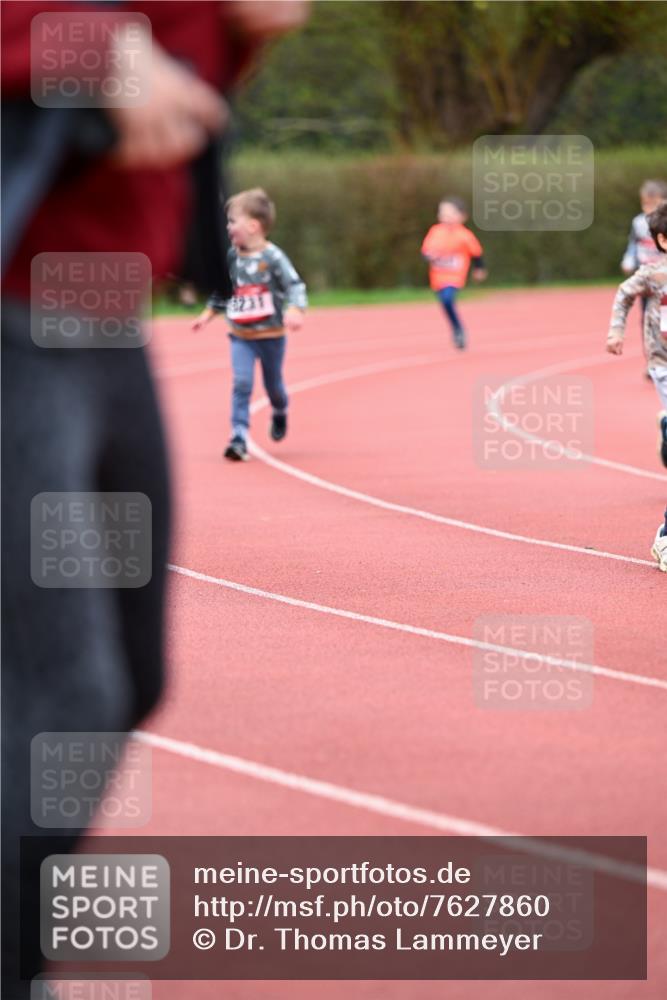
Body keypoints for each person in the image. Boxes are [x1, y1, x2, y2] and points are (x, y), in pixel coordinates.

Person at [1, 4, 309, 996]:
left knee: (127, 675)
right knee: (63, 697)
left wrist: (241, 32)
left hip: (100, 322)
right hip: (12, 318)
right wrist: (97, 50)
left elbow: (167, 111)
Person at [192, 188, 307, 461]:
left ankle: (280, 411)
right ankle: (239, 436)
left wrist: (294, 309)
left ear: (254, 226)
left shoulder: (273, 258)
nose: (228, 227)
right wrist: (208, 314)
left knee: (274, 388)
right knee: (242, 383)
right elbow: (224, 290)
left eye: (233, 221)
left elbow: (294, 285)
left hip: (271, 336)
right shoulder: (231, 257)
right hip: (240, 335)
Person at [607, 202, 667, 572]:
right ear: (663, 240)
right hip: (663, 366)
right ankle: (665, 537)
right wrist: (616, 330)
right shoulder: (653, 274)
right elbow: (624, 294)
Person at [420, 196, 487, 349]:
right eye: (443, 213)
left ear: (462, 217)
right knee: (445, 303)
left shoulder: (465, 235)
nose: (446, 217)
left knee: (448, 298)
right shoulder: (435, 231)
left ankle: (458, 329)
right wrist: (429, 256)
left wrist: (479, 269)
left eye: (450, 213)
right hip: (437, 276)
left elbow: (476, 253)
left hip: (455, 276)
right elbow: (425, 252)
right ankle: (456, 327)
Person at [620, 179, 667, 376]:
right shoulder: (638, 223)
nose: (648, 208)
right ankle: (652, 361)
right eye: (645, 204)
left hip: (663, 278)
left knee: (664, 320)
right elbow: (633, 244)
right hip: (645, 279)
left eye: (653, 204)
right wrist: (628, 259)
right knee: (647, 319)